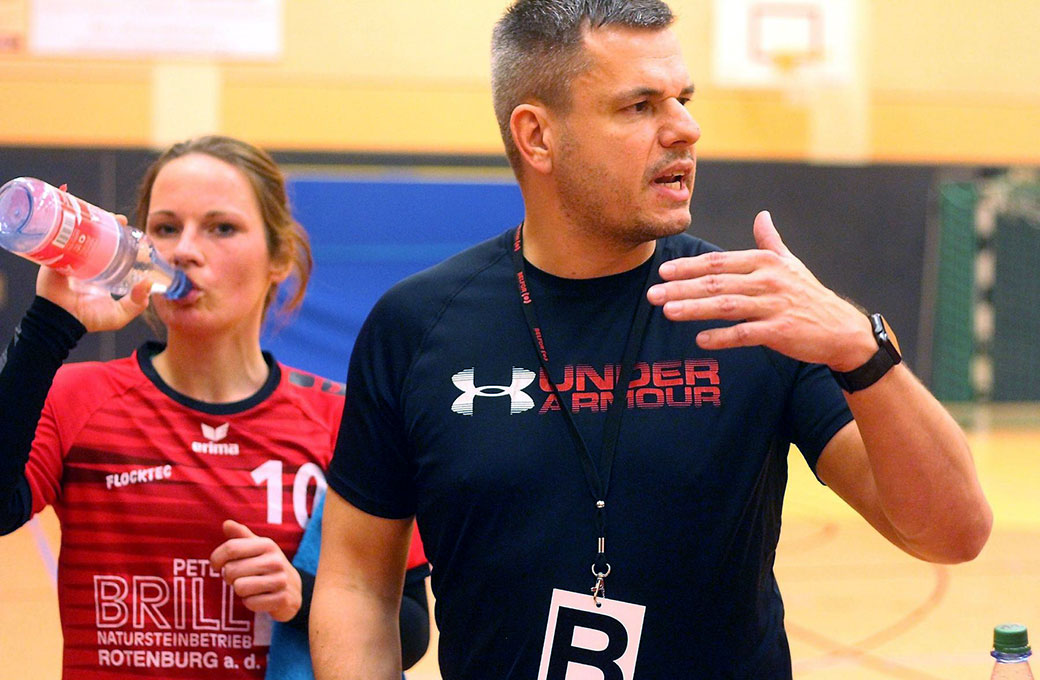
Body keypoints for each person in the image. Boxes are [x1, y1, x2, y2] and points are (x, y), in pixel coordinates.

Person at [310, 1, 992, 678]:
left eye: (684, 99)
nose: (686, 129)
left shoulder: (757, 311)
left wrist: (860, 349)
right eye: (640, 106)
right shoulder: (417, 327)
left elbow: (952, 533)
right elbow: (357, 586)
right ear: (537, 136)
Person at [0, 135, 429, 679]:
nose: (185, 250)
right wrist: (49, 325)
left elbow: (411, 628)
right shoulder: (78, 398)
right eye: (165, 227)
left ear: (278, 257)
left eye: (221, 228)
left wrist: (302, 596)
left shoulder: (341, 419)